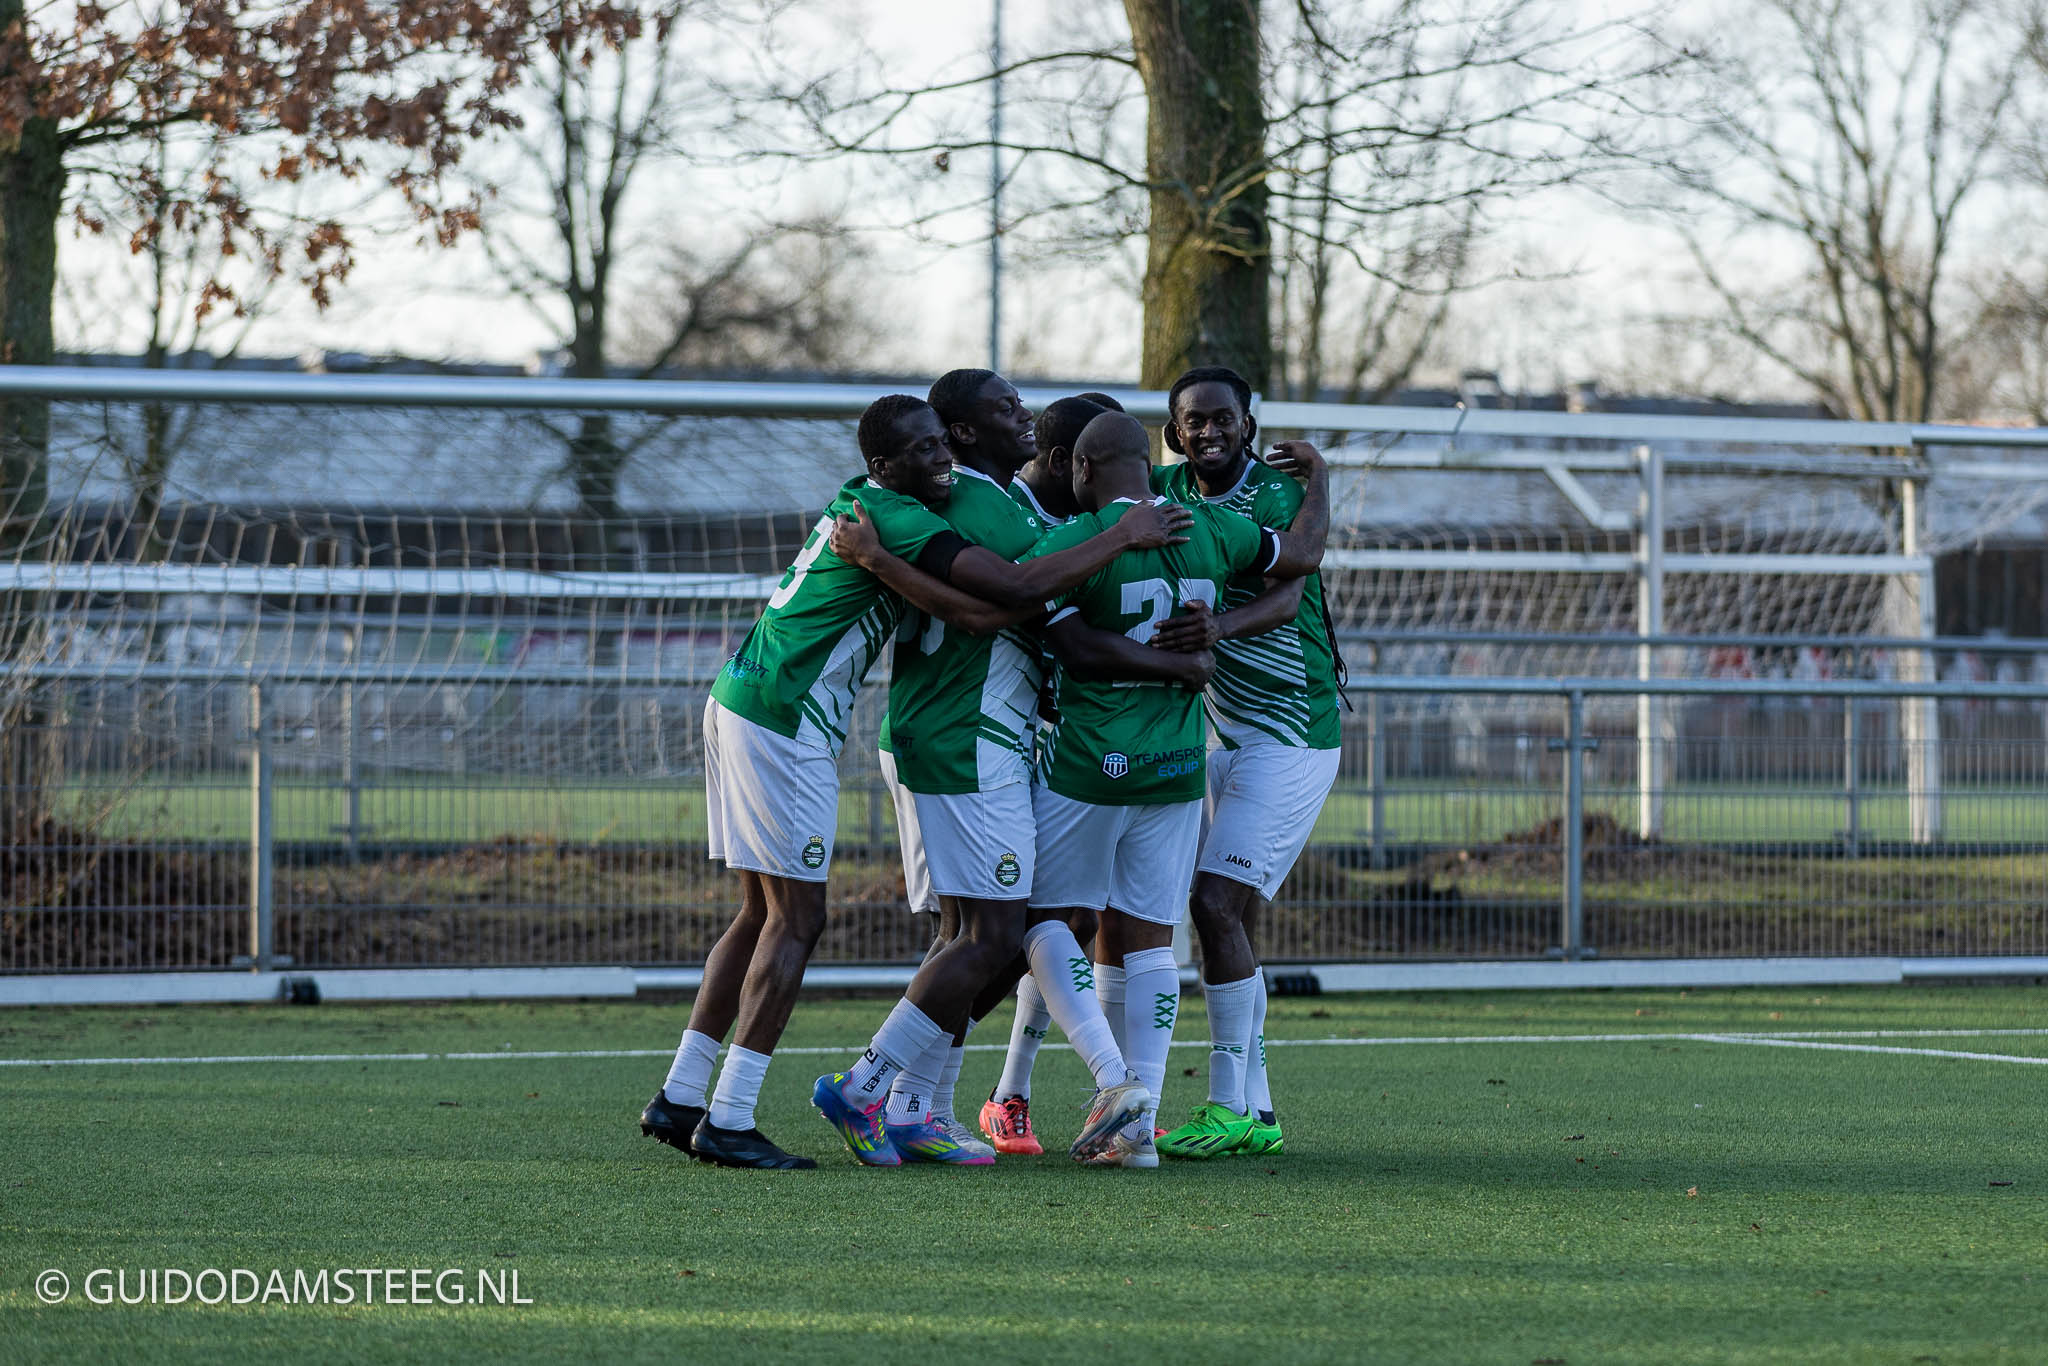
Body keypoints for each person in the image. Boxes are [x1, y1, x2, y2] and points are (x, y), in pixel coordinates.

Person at [637, 394, 1116, 1170]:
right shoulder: (895, 513)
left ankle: (683, 1094)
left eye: (940, 445)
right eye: (924, 451)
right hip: (785, 715)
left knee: (760, 911)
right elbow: (991, 603)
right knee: (798, 921)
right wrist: (1117, 536)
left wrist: (889, 568)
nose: (940, 462)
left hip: (744, 697)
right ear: (881, 466)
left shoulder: (870, 507)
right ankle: (729, 1116)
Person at [810, 375, 1193, 1166]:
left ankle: (917, 1107)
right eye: (1006, 409)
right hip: (962, 736)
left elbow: (1018, 602)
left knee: (973, 935)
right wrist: (1125, 541)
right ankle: (869, 1086)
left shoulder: (1005, 504)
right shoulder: (978, 503)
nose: (1022, 416)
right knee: (994, 935)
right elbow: (1022, 595)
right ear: (962, 435)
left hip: (986, 736)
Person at [1026, 409, 1328, 1167]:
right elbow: (1298, 559)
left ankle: (1114, 1080)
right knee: (1151, 937)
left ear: (1081, 472)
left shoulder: (1071, 543)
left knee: (1040, 924)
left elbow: (1071, 645)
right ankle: (1140, 1133)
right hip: (1179, 764)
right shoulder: (1212, 530)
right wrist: (1321, 483)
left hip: (1095, 762)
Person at [1148, 366, 1342, 1160]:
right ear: (1174, 430)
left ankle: (1229, 1105)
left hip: (1293, 736)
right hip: (1223, 738)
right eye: (1194, 420)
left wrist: (1213, 634)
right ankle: (1255, 1112)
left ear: (1248, 424)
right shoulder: (1164, 493)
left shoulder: (1273, 494)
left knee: (1214, 905)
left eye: (1223, 418)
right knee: (1224, 917)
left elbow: (1293, 588)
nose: (1209, 431)